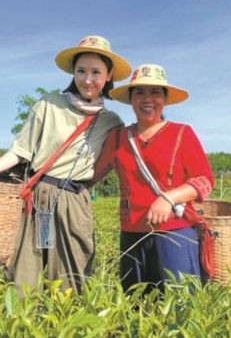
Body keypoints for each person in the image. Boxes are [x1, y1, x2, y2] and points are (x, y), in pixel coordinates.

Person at [0, 35, 131, 294]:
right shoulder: (49, 104)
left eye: (96, 72)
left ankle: (67, 328)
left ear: (108, 74)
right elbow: (20, 150)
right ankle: (21, 328)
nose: (88, 79)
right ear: (74, 73)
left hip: (74, 200)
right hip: (37, 196)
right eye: (81, 71)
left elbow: (113, 161)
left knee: (73, 275)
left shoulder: (111, 121)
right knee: (24, 274)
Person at [90, 64, 214, 293]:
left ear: (165, 98)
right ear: (131, 99)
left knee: (181, 305)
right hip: (131, 234)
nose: (147, 99)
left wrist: (168, 198)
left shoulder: (182, 133)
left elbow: (205, 180)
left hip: (175, 233)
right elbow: (91, 175)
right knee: (136, 306)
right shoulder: (118, 137)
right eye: (139, 92)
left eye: (155, 92)